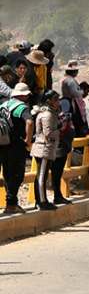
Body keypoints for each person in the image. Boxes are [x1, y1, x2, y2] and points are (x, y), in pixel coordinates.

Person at [0, 83, 34, 214]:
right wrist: (28, 140)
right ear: (22, 95)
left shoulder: (3, 105)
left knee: (7, 173)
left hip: (3, 144)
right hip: (17, 145)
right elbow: (29, 122)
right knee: (17, 174)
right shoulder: (21, 107)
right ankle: (11, 204)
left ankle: (10, 203)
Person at [31, 90, 61, 210]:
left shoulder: (50, 113)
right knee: (42, 176)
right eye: (56, 100)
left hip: (46, 148)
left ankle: (41, 200)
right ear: (49, 101)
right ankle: (41, 201)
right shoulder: (47, 114)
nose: (58, 102)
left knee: (41, 175)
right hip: (44, 148)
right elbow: (48, 133)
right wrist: (60, 131)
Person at [61, 60, 88, 136]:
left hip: (67, 101)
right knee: (74, 118)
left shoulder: (66, 79)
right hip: (70, 101)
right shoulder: (71, 81)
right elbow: (75, 93)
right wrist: (82, 92)